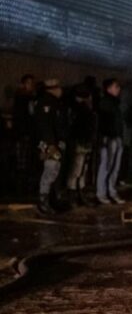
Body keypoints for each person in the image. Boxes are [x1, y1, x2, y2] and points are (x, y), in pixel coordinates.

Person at [34, 79, 67, 215]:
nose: (61, 90)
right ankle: (43, 200)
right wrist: (51, 143)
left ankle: (50, 199)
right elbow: (46, 125)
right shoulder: (45, 103)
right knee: (50, 170)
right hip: (49, 143)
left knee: (55, 170)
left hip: (55, 142)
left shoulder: (54, 103)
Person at [95, 78, 125, 205]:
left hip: (116, 137)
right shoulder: (105, 103)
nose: (118, 89)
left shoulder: (115, 103)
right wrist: (105, 137)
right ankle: (101, 193)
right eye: (115, 86)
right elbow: (103, 122)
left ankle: (111, 191)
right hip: (108, 138)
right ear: (108, 89)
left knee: (115, 167)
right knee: (106, 166)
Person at [66, 86, 97, 206]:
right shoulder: (81, 110)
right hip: (80, 142)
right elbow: (80, 128)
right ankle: (74, 194)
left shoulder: (82, 110)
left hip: (83, 142)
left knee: (81, 169)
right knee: (77, 170)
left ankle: (78, 194)